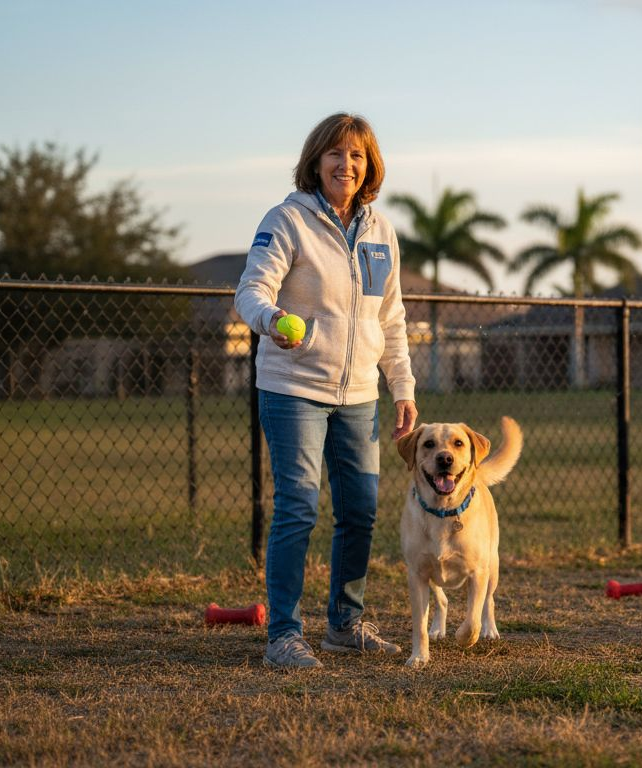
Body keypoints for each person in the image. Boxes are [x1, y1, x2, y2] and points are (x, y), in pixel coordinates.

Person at [235, 112, 418, 668]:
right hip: (294, 388)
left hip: (360, 392)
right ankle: (283, 636)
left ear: (370, 167)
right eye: (336, 154)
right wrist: (271, 320)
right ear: (316, 161)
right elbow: (250, 291)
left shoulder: (381, 231)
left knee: (360, 509)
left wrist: (402, 387)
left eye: (357, 156)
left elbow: (391, 318)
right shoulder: (287, 220)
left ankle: (345, 624)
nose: (346, 164)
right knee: (298, 506)